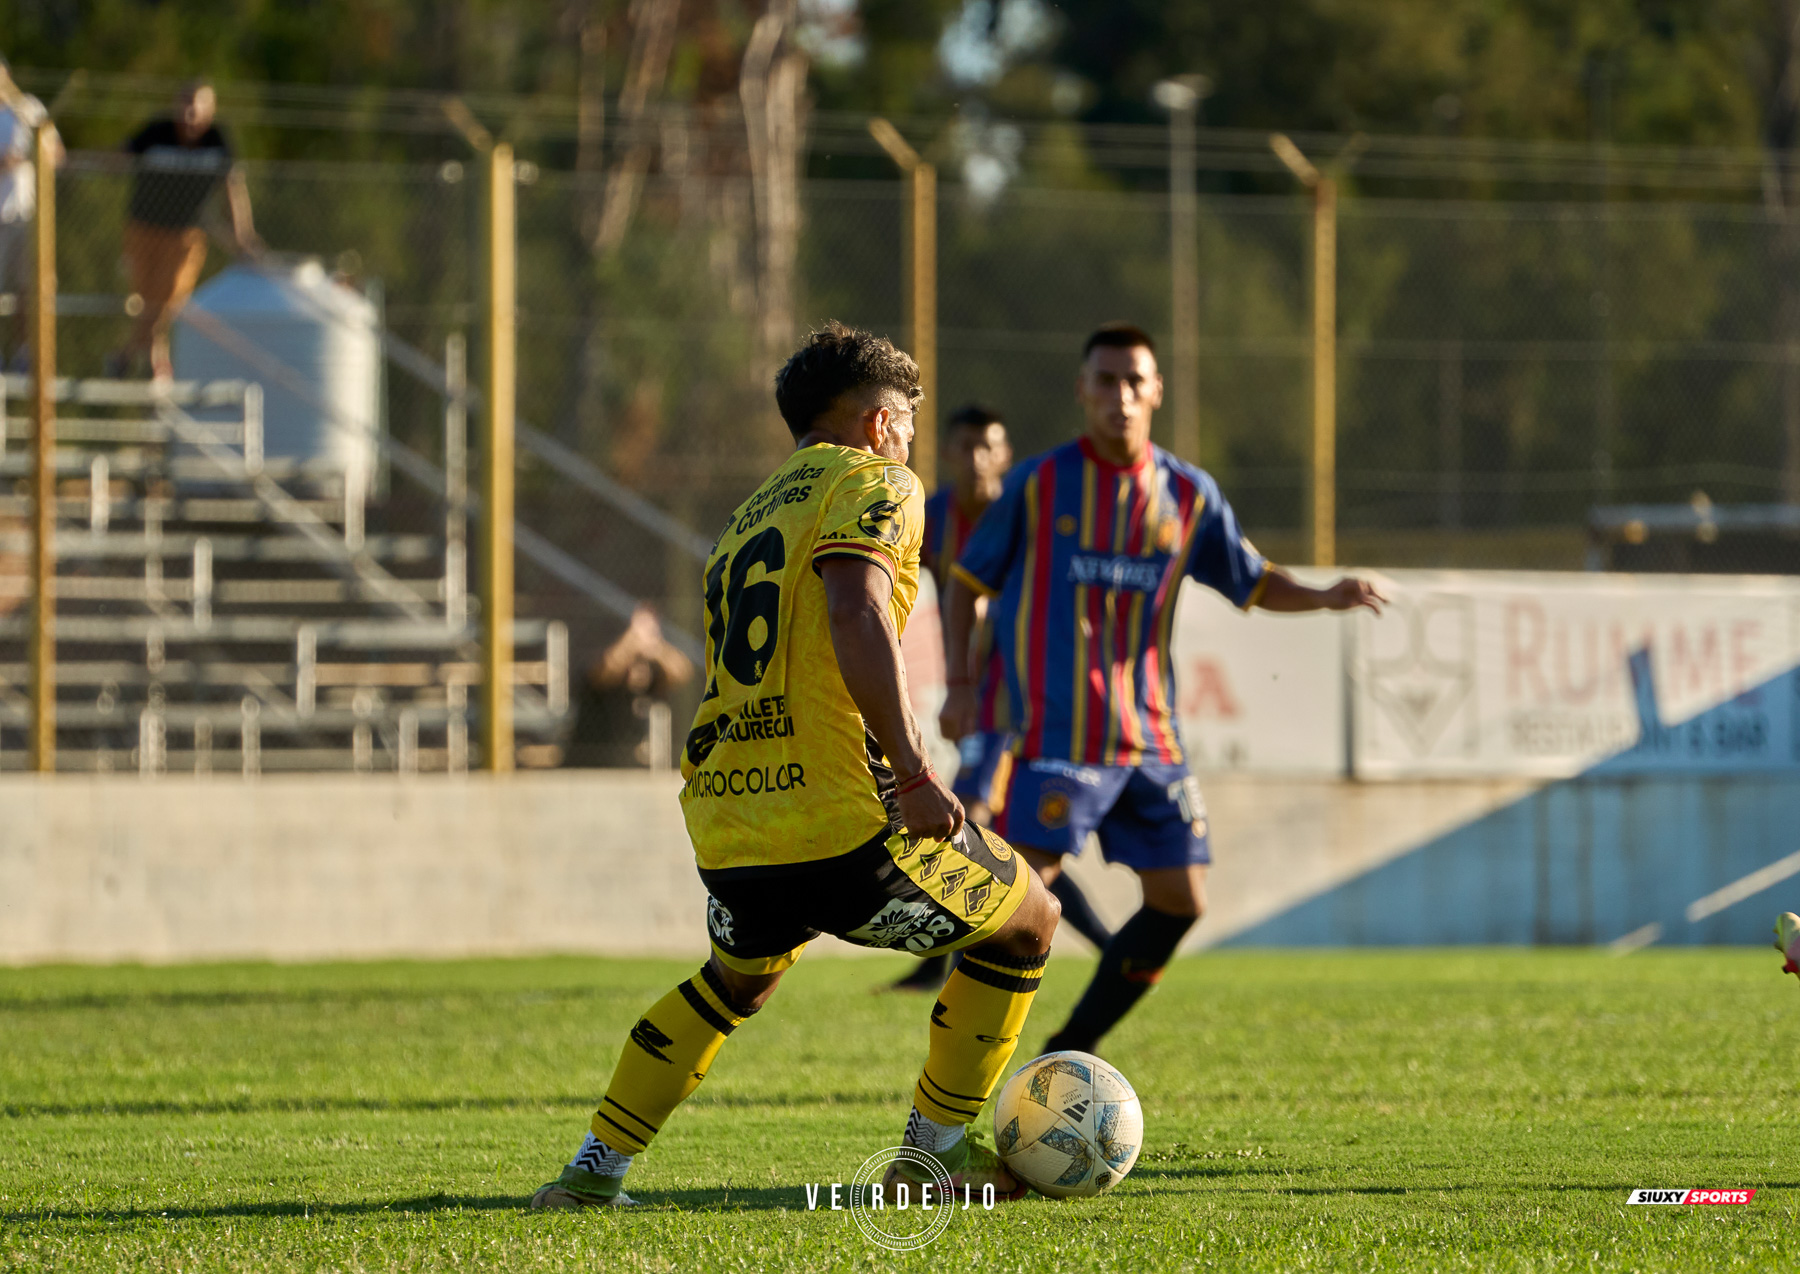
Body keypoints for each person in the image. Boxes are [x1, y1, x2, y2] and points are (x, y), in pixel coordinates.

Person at [531, 323, 1060, 1209]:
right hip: (842, 813)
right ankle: (928, 1161)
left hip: (731, 817)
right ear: (879, 422)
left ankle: (593, 1171)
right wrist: (914, 771)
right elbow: (856, 610)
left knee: (736, 982)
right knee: (1030, 922)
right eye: (907, 424)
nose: (910, 443)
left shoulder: (748, 517)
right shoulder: (877, 481)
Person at [940, 322, 1384, 1057]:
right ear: (1082, 390)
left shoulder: (1187, 494)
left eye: (1134, 381)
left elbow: (1251, 581)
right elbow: (964, 585)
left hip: (1150, 738)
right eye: (1105, 380)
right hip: (1058, 736)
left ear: (1156, 392)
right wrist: (960, 684)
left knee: (1181, 900)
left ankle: (1069, 1051)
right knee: (1016, 907)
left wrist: (1325, 595)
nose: (1120, 395)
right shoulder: (1038, 485)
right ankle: (961, 1071)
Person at [888, 404, 1114, 993]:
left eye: (987, 447)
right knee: (1005, 840)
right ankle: (1111, 949)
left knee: (966, 818)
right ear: (947, 453)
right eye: (965, 447)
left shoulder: (1024, 510)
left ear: (1005, 455)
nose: (976, 459)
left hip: (1021, 695)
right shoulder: (932, 515)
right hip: (975, 690)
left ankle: (946, 967)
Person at [109, 81, 261, 380]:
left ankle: (125, 356)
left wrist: (243, 235)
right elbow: (119, 158)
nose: (190, 110)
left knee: (169, 298)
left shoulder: (217, 141)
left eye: (198, 103)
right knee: (146, 298)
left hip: (185, 235)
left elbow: (232, 189)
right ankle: (155, 361)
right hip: (144, 229)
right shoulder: (158, 132)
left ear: (211, 109)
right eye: (185, 101)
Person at [561, 605, 694, 768]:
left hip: (630, 765)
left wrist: (657, 648)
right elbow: (607, 671)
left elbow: (682, 672)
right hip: (591, 765)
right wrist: (632, 640)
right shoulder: (603, 658)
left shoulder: (652, 669)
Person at [0, 57, 60, 370]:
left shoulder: (29, 109)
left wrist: (29, 157)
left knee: (28, 288)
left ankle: (24, 353)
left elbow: (57, 154)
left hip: (26, 216)